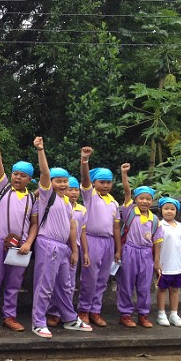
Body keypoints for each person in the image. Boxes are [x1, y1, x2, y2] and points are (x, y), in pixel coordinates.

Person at [31, 136, 92, 338]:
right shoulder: (47, 196)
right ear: (51, 183)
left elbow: (72, 227)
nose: (63, 184)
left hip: (64, 247)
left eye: (65, 181)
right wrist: (41, 150)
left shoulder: (67, 202)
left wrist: (74, 250)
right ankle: (38, 322)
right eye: (58, 181)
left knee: (65, 286)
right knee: (45, 285)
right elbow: (44, 173)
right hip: (48, 243)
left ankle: (69, 318)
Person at [0, 127, 38, 332]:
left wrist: (28, 242)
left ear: (29, 179)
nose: (17, 178)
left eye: (23, 176)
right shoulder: (4, 188)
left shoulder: (32, 198)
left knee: (14, 282)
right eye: (15, 173)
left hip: (19, 246)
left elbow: (34, 224)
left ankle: (9, 315)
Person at [76, 147, 121, 327]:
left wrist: (118, 249)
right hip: (91, 239)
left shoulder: (114, 202)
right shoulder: (90, 196)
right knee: (89, 278)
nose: (105, 185)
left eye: (108, 182)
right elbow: (84, 179)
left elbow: (116, 228)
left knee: (102, 279)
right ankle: (83, 310)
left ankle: (95, 310)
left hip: (108, 242)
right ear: (94, 183)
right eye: (101, 182)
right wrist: (84, 160)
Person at [117, 166, 164, 328]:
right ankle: (125, 314)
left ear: (152, 201)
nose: (145, 201)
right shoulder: (129, 212)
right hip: (130, 251)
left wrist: (156, 261)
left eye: (148, 199)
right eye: (141, 198)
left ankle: (143, 315)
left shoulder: (155, 220)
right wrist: (124, 174)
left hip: (146, 254)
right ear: (136, 199)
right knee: (126, 284)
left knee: (144, 286)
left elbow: (157, 242)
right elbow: (127, 191)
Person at [47, 176, 90, 327]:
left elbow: (82, 232)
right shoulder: (56, 205)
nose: (74, 193)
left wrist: (84, 252)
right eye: (70, 189)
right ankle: (54, 312)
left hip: (73, 249)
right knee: (54, 282)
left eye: (76, 190)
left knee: (69, 283)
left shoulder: (81, 210)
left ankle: (66, 313)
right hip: (58, 246)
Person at [155, 197, 181, 327]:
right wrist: (157, 262)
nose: (169, 211)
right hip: (164, 264)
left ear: (176, 211)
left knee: (175, 289)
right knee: (162, 289)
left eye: (172, 209)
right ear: (161, 210)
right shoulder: (159, 225)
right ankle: (161, 314)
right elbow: (156, 244)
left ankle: (174, 314)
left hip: (178, 265)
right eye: (166, 209)